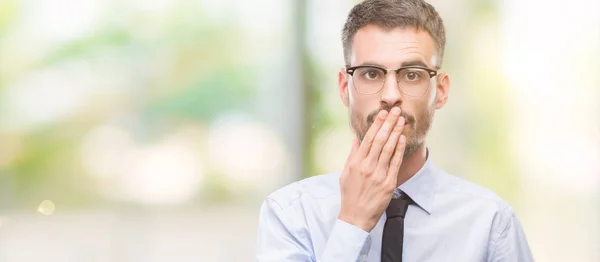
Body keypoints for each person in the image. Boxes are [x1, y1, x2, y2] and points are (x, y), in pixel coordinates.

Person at [256, 0, 533, 261]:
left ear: (441, 91)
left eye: (411, 74)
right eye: (371, 73)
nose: (390, 95)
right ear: (344, 88)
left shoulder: (491, 224)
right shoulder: (290, 214)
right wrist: (353, 223)